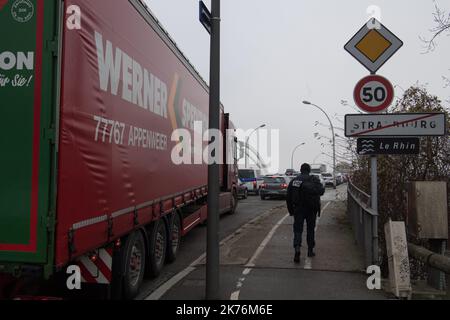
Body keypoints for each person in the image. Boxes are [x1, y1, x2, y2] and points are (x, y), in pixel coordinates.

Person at [286, 163, 325, 263]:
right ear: (309, 170)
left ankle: (297, 249)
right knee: (310, 229)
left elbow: (288, 197)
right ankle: (310, 250)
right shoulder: (314, 179)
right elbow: (321, 191)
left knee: (298, 230)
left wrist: (291, 211)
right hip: (312, 209)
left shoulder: (294, 181)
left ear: (300, 170)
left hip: (298, 209)